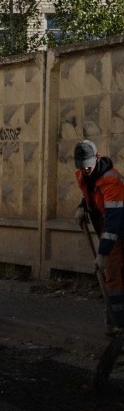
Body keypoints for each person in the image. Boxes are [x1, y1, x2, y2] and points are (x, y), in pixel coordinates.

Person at [73, 139, 124, 333]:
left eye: (88, 165)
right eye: (82, 166)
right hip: (110, 229)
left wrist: (102, 253)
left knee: (114, 273)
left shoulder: (112, 179)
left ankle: (119, 323)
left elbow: (113, 220)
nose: (85, 170)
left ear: (97, 157)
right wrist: (82, 206)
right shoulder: (83, 175)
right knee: (113, 275)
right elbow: (91, 195)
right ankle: (115, 322)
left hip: (117, 226)